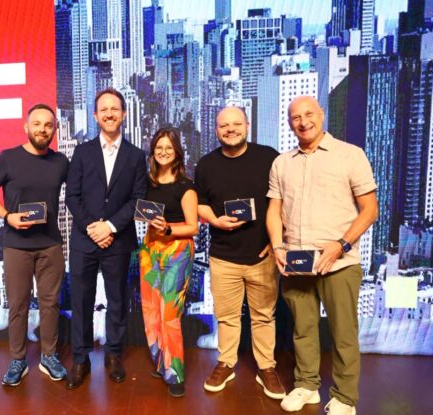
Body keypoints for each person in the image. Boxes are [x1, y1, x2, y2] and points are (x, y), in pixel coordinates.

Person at [267, 96, 378, 415]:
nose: (303, 122)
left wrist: (341, 244)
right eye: (296, 117)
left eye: (309, 114)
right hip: (297, 261)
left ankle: (345, 397)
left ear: (322, 114)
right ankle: (307, 385)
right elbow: (274, 210)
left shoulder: (350, 155)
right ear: (290, 123)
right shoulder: (282, 163)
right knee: (302, 328)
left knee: (343, 333)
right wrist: (278, 246)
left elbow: (370, 210)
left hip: (339, 262)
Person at [194, 106, 285, 399]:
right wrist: (214, 220)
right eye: (224, 125)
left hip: (262, 255)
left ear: (247, 125)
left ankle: (266, 367)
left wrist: (277, 241)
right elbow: (200, 203)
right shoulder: (206, 164)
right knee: (227, 317)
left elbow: (283, 201)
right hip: (223, 257)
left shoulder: (269, 157)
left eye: (236, 124)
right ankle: (226, 363)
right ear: (216, 130)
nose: (230, 129)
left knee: (264, 316)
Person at [0, 103, 69, 387]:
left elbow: (79, 192)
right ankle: (18, 360)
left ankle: (49, 356)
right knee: (18, 305)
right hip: (16, 245)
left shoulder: (61, 162)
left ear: (55, 130)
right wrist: (8, 216)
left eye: (48, 125)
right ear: (26, 127)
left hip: (50, 245)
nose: (43, 129)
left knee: (50, 304)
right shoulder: (8, 158)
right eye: (37, 124)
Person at [65, 87, 148, 389]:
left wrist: (110, 227)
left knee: (117, 301)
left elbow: (137, 199)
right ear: (95, 115)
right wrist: (93, 227)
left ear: (123, 114)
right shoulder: (82, 152)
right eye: (104, 109)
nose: (110, 114)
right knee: (81, 301)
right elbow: (72, 197)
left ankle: (114, 355)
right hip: (84, 240)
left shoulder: (136, 156)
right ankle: (80, 358)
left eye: (115, 109)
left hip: (118, 241)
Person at [138, 127, 198, 398]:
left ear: (177, 153)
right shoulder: (147, 184)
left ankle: (175, 373)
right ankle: (162, 362)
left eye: (169, 148)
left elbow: (193, 226)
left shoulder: (186, 187)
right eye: (159, 147)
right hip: (150, 250)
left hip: (177, 251)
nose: (163, 152)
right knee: (151, 310)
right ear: (153, 152)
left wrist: (169, 229)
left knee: (170, 315)